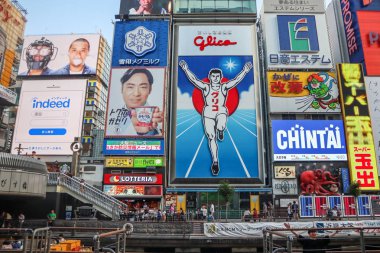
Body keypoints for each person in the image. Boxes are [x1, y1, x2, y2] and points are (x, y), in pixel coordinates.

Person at [179, 60, 252, 175]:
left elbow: (236, 81)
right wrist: (185, 69)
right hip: (208, 114)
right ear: (210, 77)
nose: (215, 78)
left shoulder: (224, 87)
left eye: (217, 76)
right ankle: (215, 161)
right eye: (213, 76)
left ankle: (221, 130)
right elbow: (194, 80)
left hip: (221, 111)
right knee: (211, 137)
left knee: (221, 125)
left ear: (220, 77)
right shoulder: (206, 87)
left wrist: (245, 71)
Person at [108, 68, 163, 136]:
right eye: (130, 87)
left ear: (150, 89)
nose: (136, 93)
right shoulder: (111, 117)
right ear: (122, 88)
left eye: (143, 87)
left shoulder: (158, 119)